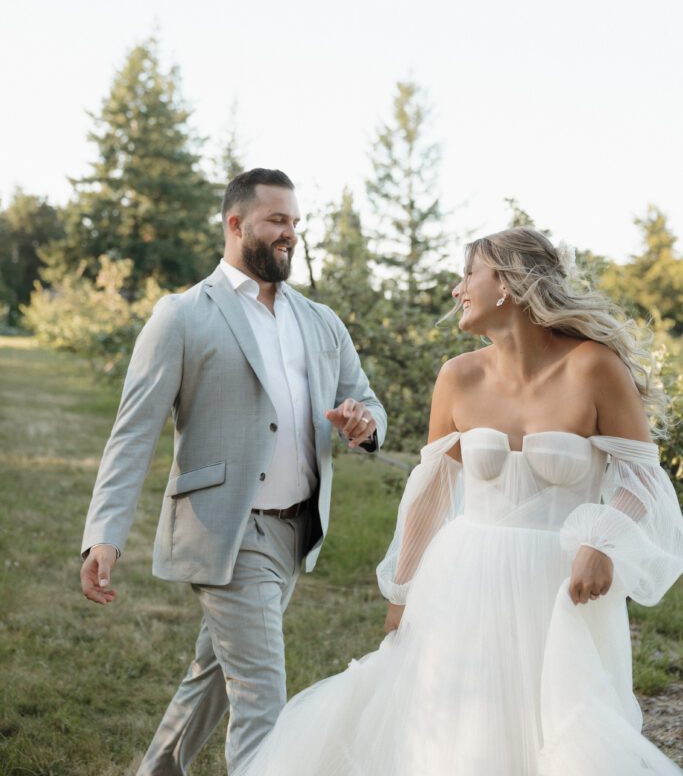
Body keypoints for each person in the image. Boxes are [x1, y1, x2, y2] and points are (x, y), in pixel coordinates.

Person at [236, 227, 683, 776]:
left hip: (560, 589)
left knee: (564, 730)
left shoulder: (594, 367)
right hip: (464, 579)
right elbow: (430, 493)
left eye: (469, 273)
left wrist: (603, 541)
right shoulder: (458, 376)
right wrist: (401, 592)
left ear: (509, 284)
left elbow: (643, 481)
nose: (457, 289)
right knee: (457, 733)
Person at [79, 168, 387, 776]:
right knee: (262, 699)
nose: (289, 234)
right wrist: (104, 536)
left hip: (296, 531)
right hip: (227, 528)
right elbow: (132, 435)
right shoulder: (182, 316)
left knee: (214, 676)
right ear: (236, 223)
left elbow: (369, 401)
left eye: (295, 223)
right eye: (276, 220)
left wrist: (363, 422)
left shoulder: (320, 320)